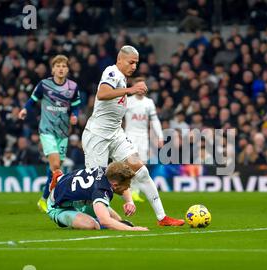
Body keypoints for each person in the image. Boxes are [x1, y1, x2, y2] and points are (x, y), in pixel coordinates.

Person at [82, 45, 184, 226]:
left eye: (136, 63)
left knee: (141, 171)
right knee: (95, 182)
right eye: (131, 62)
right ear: (120, 60)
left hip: (116, 134)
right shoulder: (111, 72)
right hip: (97, 136)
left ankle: (162, 218)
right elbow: (103, 94)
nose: (134, 66)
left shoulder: (121, 79)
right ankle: (83, 210)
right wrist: (131, 90)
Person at [18, 55, 81, 212]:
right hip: (47, 130)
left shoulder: (72, 87)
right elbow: (32, 99)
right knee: (55, 165)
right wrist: (25, 109)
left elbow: (76, 105)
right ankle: (57, 200)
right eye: (58, 66)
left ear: (67, 69)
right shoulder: (44, 85)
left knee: (55, 168)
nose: (61, 68)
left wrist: (74, 115)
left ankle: (44, 199)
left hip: (63, 131)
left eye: (64, 66)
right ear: (53, 69)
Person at [47, 161, 148, 231]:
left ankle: (85, 213)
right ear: (115, 185)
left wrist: (129, 201)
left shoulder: (108, 172)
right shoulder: (100, 190)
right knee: (92, 225)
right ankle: (81, 217)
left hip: (76, 198)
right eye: (126, 185)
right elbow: (105, 221)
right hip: (58, 207)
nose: (128, 187)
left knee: (118, 220)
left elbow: (121, 184)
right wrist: (132, 229)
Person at [124, 76, 164, 202]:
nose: (141, 89)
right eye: (139, 86)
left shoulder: (149, 102)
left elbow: (155, 120)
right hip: (130, 135)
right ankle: (129, 191)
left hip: (143, 137)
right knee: (131, 164)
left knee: (142, 165)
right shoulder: (128, 101)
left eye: (143, 86)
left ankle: (135, 191)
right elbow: (118, 117)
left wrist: (160, 136)